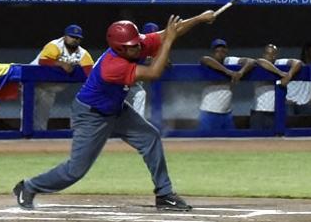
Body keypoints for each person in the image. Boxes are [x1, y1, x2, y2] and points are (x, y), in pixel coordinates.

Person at [14, 12, 216, 212]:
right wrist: (169, 42)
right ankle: (28, 187)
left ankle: (164, 194)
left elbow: (170, 31)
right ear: (119, 48)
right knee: (75, 171)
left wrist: (199, 19)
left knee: (150, 137)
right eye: (132, 46)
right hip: (91, 115)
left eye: (138, 43)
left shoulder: (132, 45)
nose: (138, 47)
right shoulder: (113, 66)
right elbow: (154, 73)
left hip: (116, 110)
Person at [31, 25, 95, 131]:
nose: (75, 40)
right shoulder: (55, 45)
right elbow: (43, 61)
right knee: (28, 111)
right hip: (33, 83)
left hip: (50, 87)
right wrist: (61, 64)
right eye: (72, 36)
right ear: (65, 37)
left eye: (77, 38)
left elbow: (90, 72)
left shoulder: (83, 54)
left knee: (43, 116)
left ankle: (38, 140)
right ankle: (24, 136)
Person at [198, 39, 253, 131]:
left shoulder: (229, 61)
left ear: (226, 51)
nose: (220, 53)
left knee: (230, 142)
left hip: (226, 113)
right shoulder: (209, 62)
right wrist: (229, 72)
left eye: (222, 50)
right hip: (209, 112)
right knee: (204, 142)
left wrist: (241, 72)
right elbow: (205, 59)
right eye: (217, 51)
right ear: (213, 52)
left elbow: (251, 61)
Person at [249, 44, 301, 130]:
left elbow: (297, 63)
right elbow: (260, 61)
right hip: (259, 112)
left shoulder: (279, 63)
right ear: (263, 54)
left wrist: (289, 76)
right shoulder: (259, 65)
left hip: (276, 112)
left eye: (273, 54)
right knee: (256, 140)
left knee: (276, 140)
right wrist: (280, 73)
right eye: (267, 54)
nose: (270, 56)